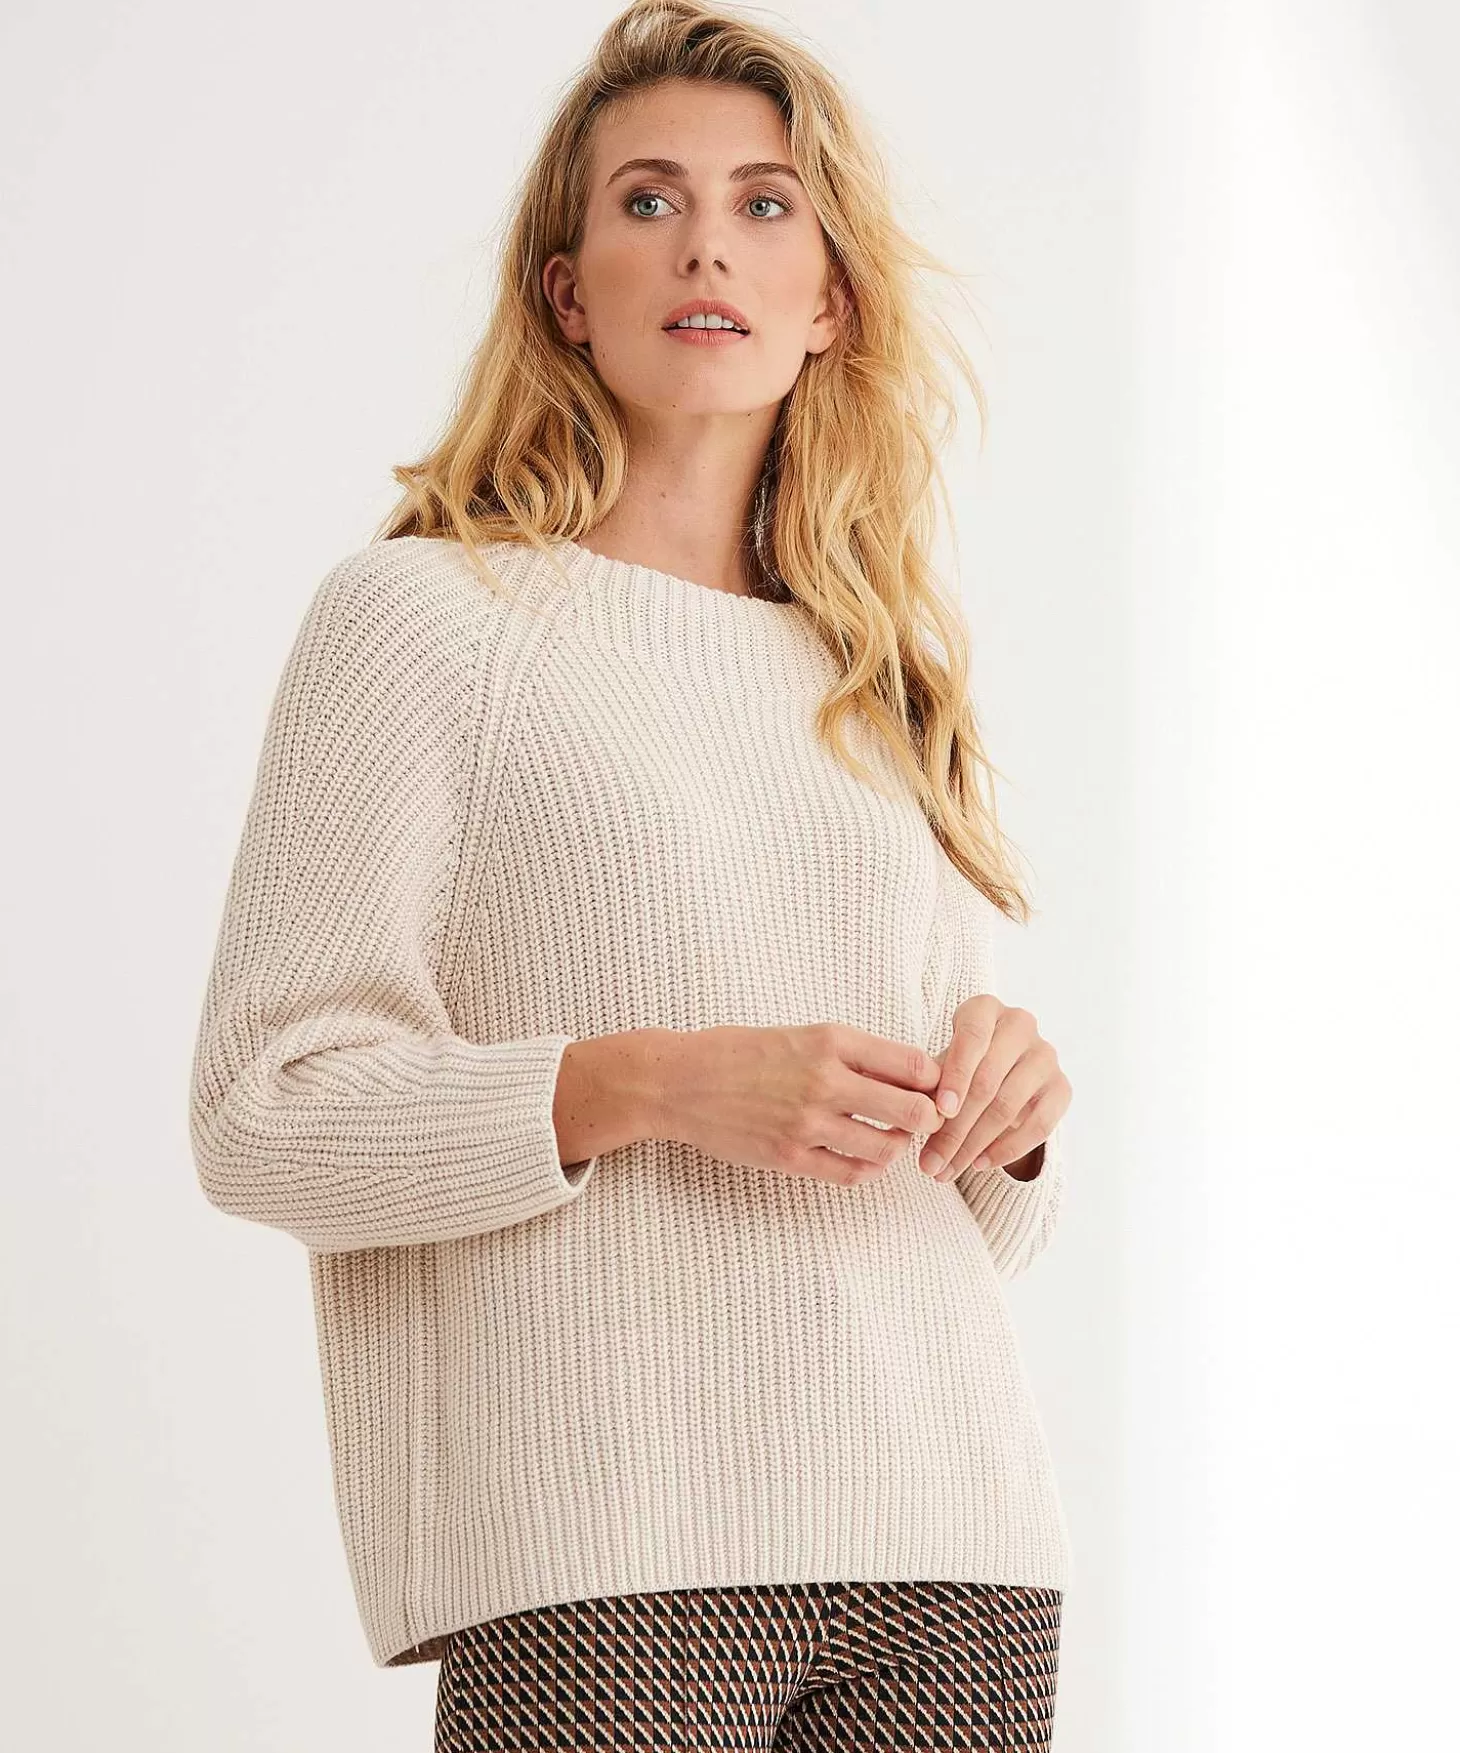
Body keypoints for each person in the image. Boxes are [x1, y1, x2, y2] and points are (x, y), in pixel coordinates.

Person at [186, 1, 1075, 1745]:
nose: (707, 246)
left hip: (953, 1535)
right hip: (604, 1548)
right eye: (649, 201)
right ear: (566, 292)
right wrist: (654, 1083)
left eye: (766, 204)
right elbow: (263, 1113)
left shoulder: (877, 677)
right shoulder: (426, 622)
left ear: (831, 300)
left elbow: (970, 1219)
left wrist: (1011, 1120)